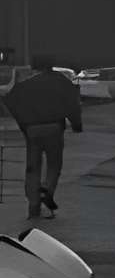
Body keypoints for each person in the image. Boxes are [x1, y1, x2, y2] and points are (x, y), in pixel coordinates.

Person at [6, 60, 83, 220]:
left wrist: (23, 123)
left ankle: (33, 205)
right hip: (54, 127)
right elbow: (73, 103)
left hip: (32, 129)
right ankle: (47, 190)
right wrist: (76, 124)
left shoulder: (26, 84)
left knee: (33, 167)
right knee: (54, 163)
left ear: (36, 68)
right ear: (52, 66)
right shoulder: (60, 81)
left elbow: (10, 100)